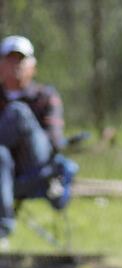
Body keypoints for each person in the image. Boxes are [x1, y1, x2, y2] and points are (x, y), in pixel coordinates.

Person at [0, 35, 78, 249]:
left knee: (17, 113)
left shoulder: (45, 95)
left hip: (37, 164)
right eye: (10, 60)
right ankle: (2, 231)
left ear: (32, 67)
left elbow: (54, 140)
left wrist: (23, 134)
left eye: (21, 60)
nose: (15, 66)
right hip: (6, 172)